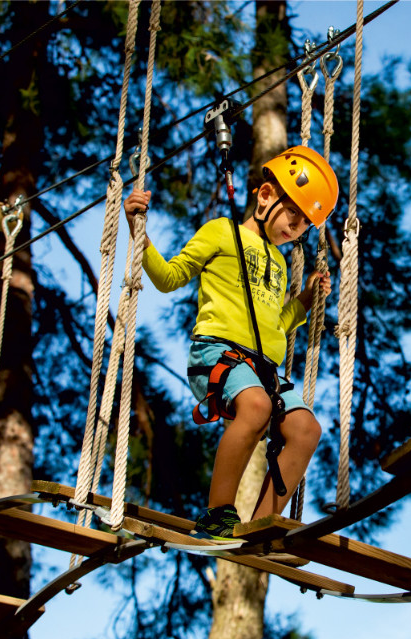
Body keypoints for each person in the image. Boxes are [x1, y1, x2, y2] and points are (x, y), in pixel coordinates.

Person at [123, 145, 339, 540]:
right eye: (293, 211)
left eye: (305, 223)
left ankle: (261, 526)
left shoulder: (277, 261)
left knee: (306, 429)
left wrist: (306, 300)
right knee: (255, 406)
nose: (296, 226)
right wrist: (140, 230)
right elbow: (169, 277)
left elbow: (275, 323)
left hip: (264, 368)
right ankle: (219, 513)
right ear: (266, 195)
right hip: (218, 354)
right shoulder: (222, 232)